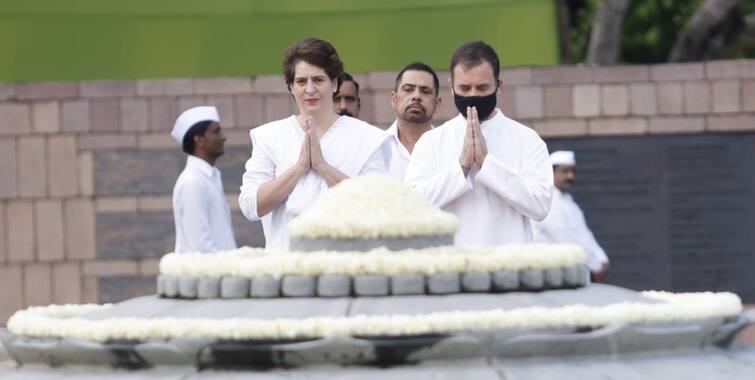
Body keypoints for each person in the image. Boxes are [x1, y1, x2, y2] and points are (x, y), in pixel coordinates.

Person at [239, 38, 390, 249]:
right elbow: (250, 206)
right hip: (285, 268)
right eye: (301, 81)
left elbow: (380, 207)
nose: (309, 89)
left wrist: (324, 168)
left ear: (334, 83)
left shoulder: (366, 137)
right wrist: (299, 168)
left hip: (347, 267)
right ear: (291, 86)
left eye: (318, 80)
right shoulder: (270, 137)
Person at [404, 40, 553, 246]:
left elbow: (540, 206)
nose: (473, 95)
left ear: (498, 86)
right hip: (453, 268)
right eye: (464, 88)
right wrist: (461, 167)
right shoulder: (431, 142)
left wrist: (487, 165)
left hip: (511, 267)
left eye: (482, 88)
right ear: (451, 87)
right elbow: (412, 209)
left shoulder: (527, 140)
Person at [533, 151, 610, 282]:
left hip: (576, 271)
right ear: (551, 173)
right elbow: (564, 238)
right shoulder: (548, 201)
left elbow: (584, 234)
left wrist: (602, 260)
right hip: (554, 275)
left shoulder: (568, 202)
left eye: (573, 171)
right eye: (565, 171)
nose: (570, 176)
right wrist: (595, 266)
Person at [170, 106, 237, 253]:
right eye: (216, 131)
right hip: (207, 275)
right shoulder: (192, 182)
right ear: (199, 140)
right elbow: (201, 248)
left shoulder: (209, 178)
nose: (223, 137)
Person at [386, 62, 441, 180]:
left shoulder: (448, 148)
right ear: (394, 99)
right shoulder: (377, 146)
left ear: (437, 104)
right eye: (408, 89)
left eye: (425, 91)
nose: (416, 96)